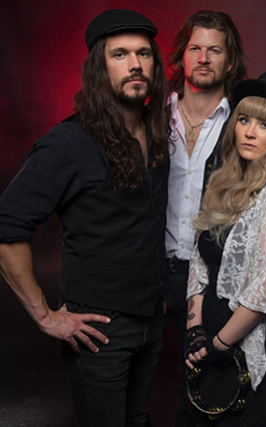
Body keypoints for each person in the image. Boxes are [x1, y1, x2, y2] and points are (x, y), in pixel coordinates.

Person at [0, 9, 169, 427]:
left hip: (152, 319)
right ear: (99, 68)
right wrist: (44, 315)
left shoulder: (158, 133)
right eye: (120, 54)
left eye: (144, 54)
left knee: (138, 419)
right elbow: (7, 228)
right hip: (99, 330)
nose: (135, 64)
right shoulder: (68, 142)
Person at [179, 72, 266, 426]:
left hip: (257, 345)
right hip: (210, 339)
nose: (250, 132)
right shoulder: (224, 182)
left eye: (265, 125)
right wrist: (194, 330)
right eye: (244, 120)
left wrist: (219, 344)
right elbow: (200, 261)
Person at [164, 11, 246, 424]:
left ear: (229, 62)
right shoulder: (151, 117)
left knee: (205, 389)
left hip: (210, 276)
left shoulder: (243, 124)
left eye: (215, 50)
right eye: (195, 48)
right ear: (182, 55)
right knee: (129, 378)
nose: (203, 58)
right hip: (150, 270)